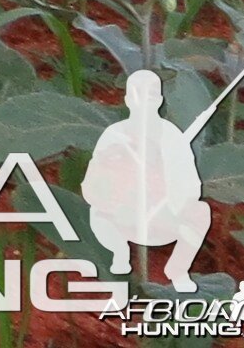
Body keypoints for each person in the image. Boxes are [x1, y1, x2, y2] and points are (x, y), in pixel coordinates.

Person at [82, 68, 216, 291]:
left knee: (200, 212)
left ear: (160, 99)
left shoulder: (171, 136)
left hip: (161, 215)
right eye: (137, 93)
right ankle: (120, 253)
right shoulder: (114, 136)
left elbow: (191, 183)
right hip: (121, 215)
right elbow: (92, 184)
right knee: (98, 216)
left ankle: (178, 270)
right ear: (127, 99)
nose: (144, 100)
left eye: (151, 93)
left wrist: (167, 191)